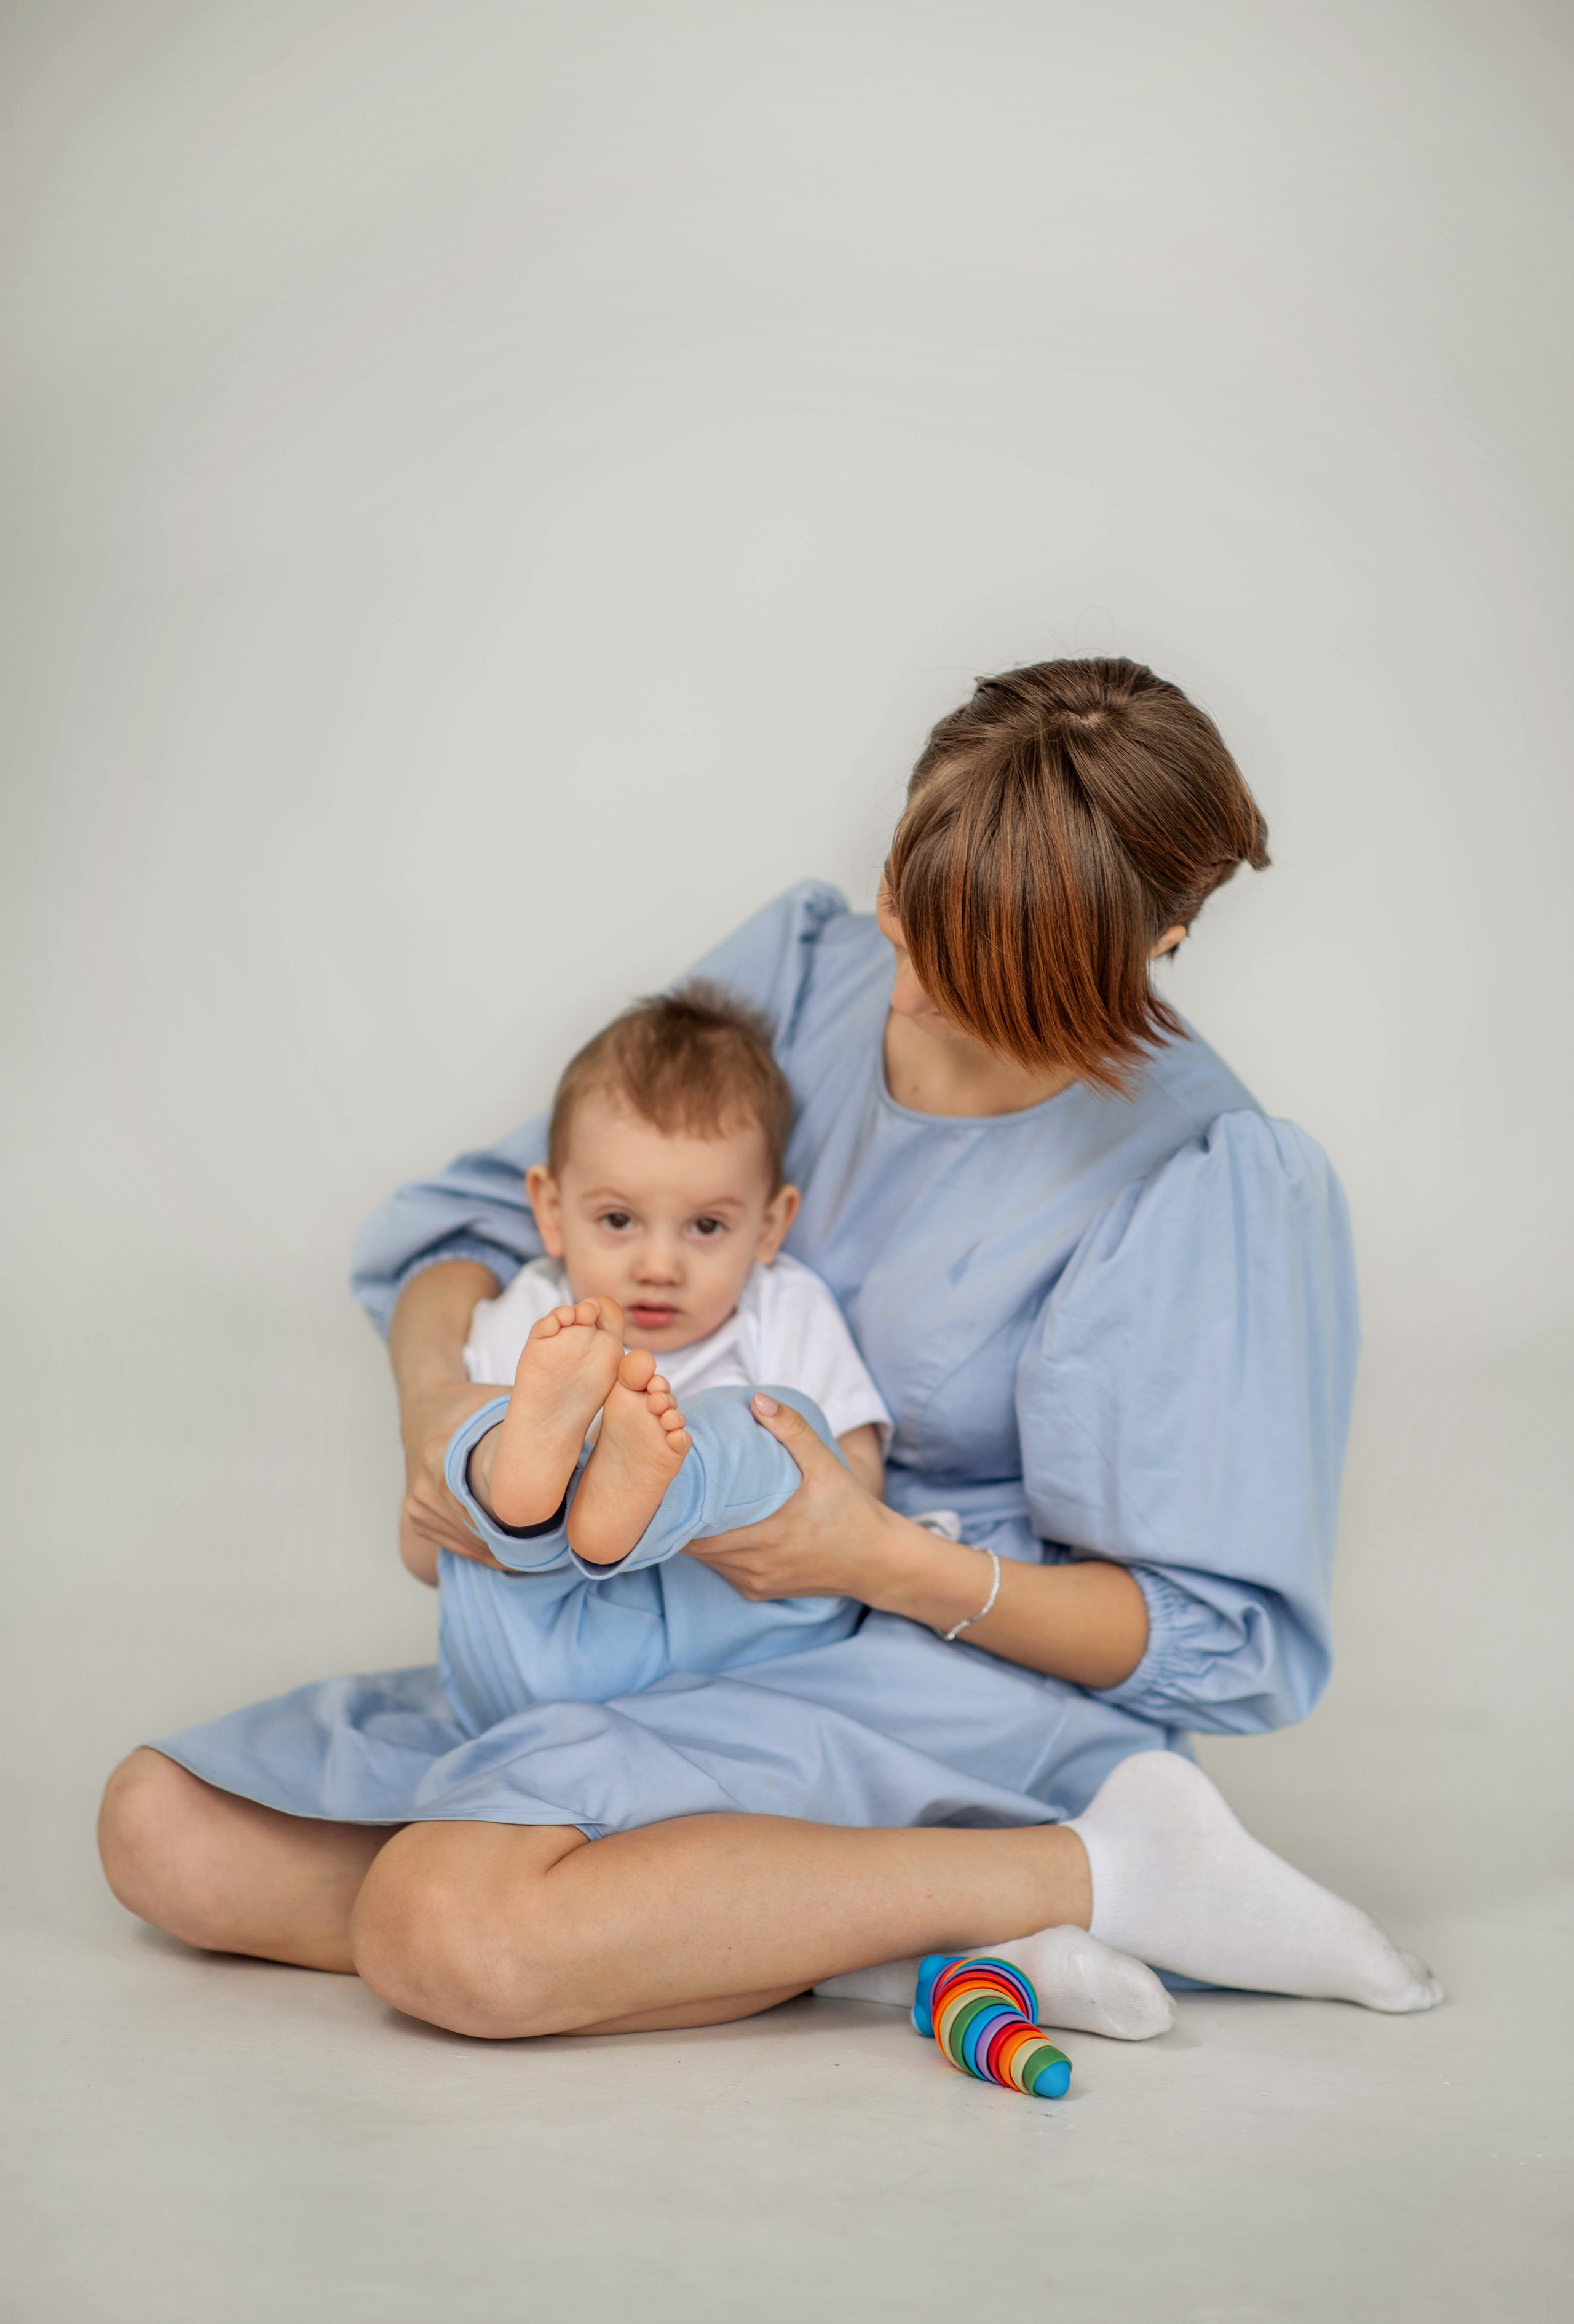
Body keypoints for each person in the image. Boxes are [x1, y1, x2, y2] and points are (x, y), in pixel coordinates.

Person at [99, 656, 1442, 2052]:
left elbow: (1214, 1641)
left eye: (980, 968)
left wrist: (872, 1557)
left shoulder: (1202, 1175)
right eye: (905, 899)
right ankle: (856, 1927)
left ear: (1151, 943)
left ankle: (1105, 1868)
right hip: (644, 1607)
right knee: (167, 1829)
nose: (902, 980)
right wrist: (440, 1416)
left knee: (448, 1928)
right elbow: (495, 1220)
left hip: (935, 1658)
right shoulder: (809, 969)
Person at [429, 978, 895, 1718]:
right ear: (550, 1209)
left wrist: (736, 1495)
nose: (658, 1266)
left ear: (770, 1226)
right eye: (618, 1220)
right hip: (556, 1644)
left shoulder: (782, 1307)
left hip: (737, 1630)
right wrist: (486, 1503)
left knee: (773, 1426)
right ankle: (526, 1505)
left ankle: (671, 1489)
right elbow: (426, 1546)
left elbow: (857, 1486)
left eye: (705, 1227)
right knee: (480, 1440)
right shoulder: (540, 1317)